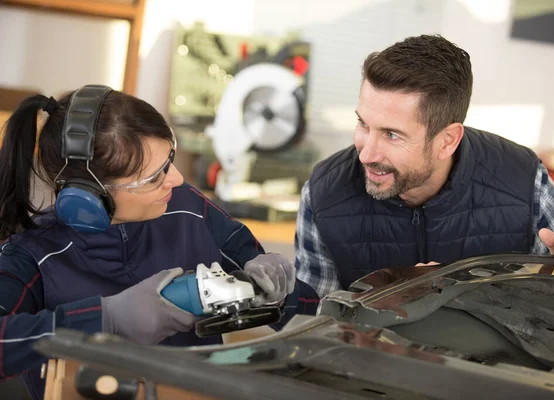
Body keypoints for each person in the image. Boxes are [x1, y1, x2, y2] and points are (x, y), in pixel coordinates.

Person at [0, 85, 318, 400]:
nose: (176, 179)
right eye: (154, 176)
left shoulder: (189, 208)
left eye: (170, 159)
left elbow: (311, 315)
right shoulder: (33, 255)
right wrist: (107, 318)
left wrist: (278, 294)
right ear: (88, 198)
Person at [295, 34, 554, 300]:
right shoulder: (323, 193)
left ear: (447, 140)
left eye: (391, 134)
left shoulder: (523, 179)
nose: (366, 153)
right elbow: (311, 328)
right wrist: (382, 301)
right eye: (363, 123)